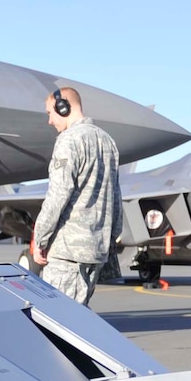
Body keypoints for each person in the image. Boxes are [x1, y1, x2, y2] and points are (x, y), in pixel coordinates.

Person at [30, 86, 123, 306]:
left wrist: (39, 239)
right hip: (96, 251)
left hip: (67, 252)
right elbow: (115, 197)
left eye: (50, 113)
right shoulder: (107, 141)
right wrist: (110, 240)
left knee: (56, 317)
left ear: (63, 108)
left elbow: (58, 195)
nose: (49, 121)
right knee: (78, 317)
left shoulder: (68, 140)